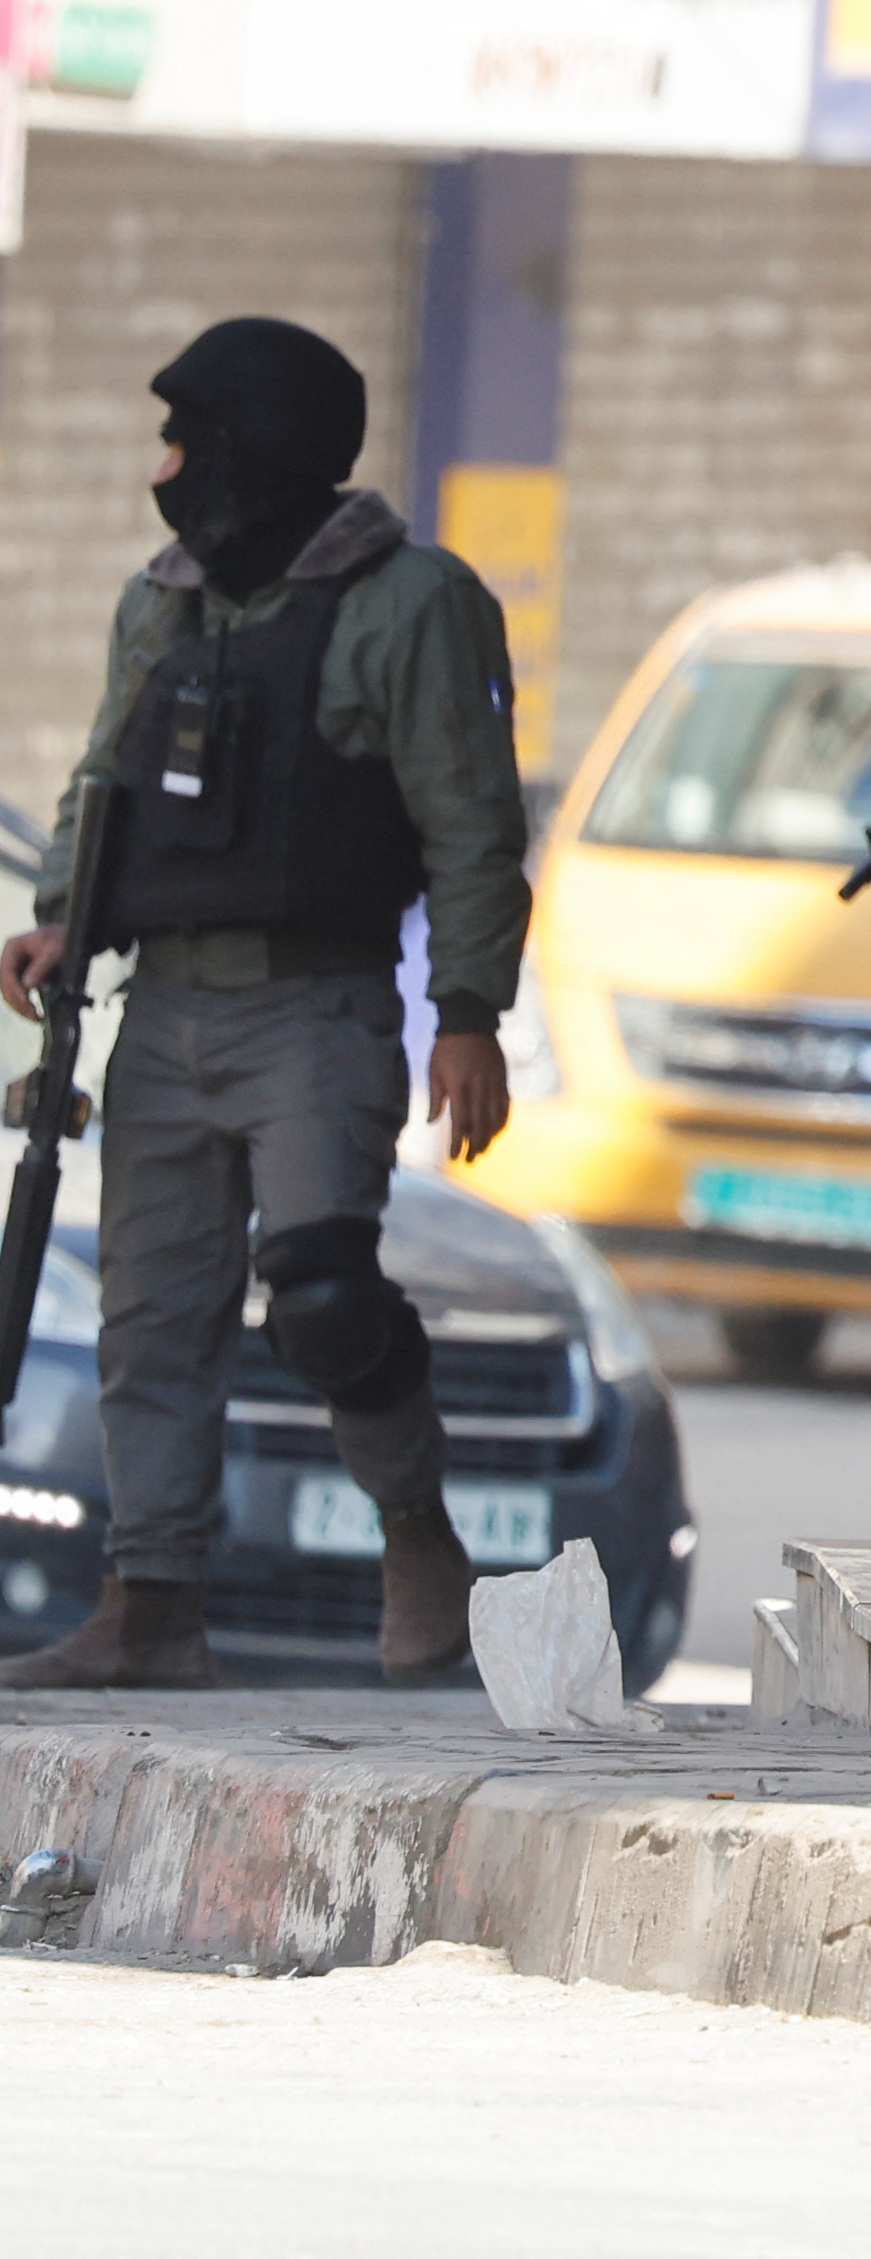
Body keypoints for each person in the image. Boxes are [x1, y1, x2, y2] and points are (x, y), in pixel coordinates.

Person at [2, 319, 529, 1690]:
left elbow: (472, 819)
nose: (162, 471)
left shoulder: (410, 601)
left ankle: (416, 1532)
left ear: (250, 448)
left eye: (183, 442)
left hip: (317, 1004)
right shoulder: (164, 602)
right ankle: (151, 1607)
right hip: (166, 1007)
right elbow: (102, 783)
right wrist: (63, 917)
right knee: (152, 1319)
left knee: (324, 1294)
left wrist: (468, 1010)